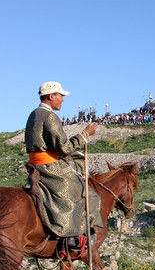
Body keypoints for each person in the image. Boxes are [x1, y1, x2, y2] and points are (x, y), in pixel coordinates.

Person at [25, 81, 103, 247]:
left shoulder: (33, 114)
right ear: (51, 96)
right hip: (49, 168)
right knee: (87, 193)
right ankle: (74, 237)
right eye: (60, 96)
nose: (62, 99)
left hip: (35, 166)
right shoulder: (50, 117)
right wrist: (85, 134)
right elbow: (65, 148)